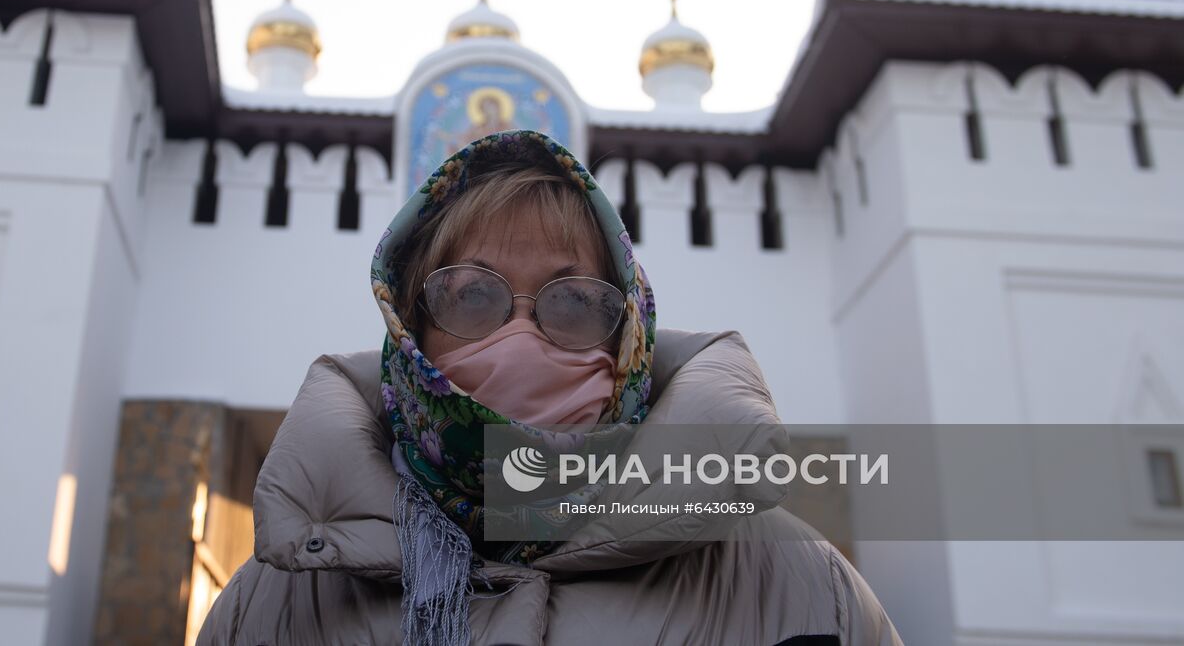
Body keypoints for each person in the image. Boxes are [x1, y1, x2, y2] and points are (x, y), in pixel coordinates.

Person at [197, 128, 903, 645]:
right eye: (472, 297)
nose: (522, 339)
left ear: (626, 336)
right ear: (410, 321)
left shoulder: (790, 580)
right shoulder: (286, 593)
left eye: (572, 302)